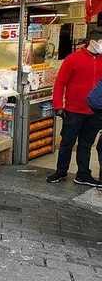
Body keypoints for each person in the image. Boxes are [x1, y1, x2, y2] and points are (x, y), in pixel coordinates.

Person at [48, 30, 102, 186]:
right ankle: (61, 171)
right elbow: (60, 83)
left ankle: (83, 175)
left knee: (86, 144)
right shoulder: (72, 59)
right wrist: (58, 105)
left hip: (95, 112)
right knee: (67, 143)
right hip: (73, 110)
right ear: (93, 42)